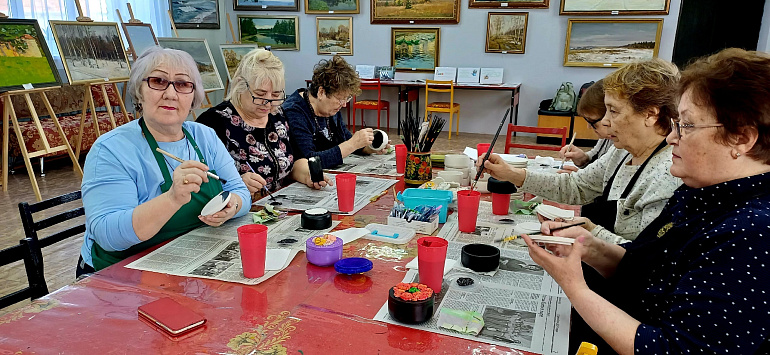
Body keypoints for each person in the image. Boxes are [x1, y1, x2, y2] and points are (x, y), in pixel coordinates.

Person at [523, 48, 770, 354]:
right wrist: (592, 247)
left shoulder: (752, 233)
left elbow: (672, 348)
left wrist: (575, 287)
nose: (671, 138)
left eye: (688, 125)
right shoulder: (699, 192)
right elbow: (646, 268)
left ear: (741, 139)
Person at [77, 47, 251, 275]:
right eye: (158, 81)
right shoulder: (111, 149)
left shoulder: (204, 136)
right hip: (121, 273)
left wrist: (231, 206)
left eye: (182, 84)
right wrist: (172, 199)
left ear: (193, 96)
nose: (171, 94)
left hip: (188, 260)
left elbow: (240, 191)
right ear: (139, 92)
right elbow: (108, 236)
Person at [480, 59, 683, 244]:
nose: (605, 121)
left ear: (650, 115)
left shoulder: (669, 175)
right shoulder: (622, 152)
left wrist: (590, 232)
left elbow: (650, 261)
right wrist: (511, 174)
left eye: (613, 111)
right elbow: (576, 186)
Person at [196, 49, 331, 200]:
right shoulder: (213, 122)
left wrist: (309, 175)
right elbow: (202, 180)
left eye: (275, 95)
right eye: (260, 95)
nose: (268, 103)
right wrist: (236, 184)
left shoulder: (277, 114)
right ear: (241, 85)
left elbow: (294, 161)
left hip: (279, 203)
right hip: (238, 209)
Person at [283, 55, 388, 169]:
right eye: (340, 99)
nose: (344, 104)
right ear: (321, 92)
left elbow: (345, 139)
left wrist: (369, 147)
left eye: (347, 99)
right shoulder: (294, 111)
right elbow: (310, 160)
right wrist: (353, 144)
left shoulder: (329, 108)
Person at [558, 79, 614, 172]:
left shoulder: (623, 146)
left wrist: (581, 179)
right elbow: (596, 158)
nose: (589, 126)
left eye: (593, 121)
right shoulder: (607, 137)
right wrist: (582, 158)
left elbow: (609, 181)